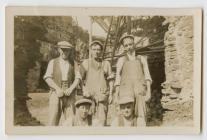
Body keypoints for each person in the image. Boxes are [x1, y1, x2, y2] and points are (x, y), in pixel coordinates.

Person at [114, 33, 152, 126]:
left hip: (140, 92)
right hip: (126, 93)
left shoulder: (141, 59)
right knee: (126, 119)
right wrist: (116, 96)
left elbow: (147, 76)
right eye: (126, 45)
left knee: (141, 118)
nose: (129, 47)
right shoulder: (121, 60)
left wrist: (149, 92)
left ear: (134, 44)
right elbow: (117, 80)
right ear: (124, 47)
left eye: (130, 44)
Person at [44, 41, 81, 126]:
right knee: (53, 118)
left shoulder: (74, 63)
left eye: (67, 50)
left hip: (70, 93)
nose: (64, 52)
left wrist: (71, 89)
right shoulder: (53, 62)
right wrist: (57, 89)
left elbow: (78, 78)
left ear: (70, 51)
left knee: (71, 120)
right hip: (56, 92)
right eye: (62, 49)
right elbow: (47, 77)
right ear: (59, 50)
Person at [79, 40, 114, 126]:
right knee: (87, 123)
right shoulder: (86, 63)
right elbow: (78, 78)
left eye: (98, 49)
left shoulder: (106, 64)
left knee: (101, 122)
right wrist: (84, 90)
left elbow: (111, 80)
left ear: (101, 51)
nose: (96, 52)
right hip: (88, 99)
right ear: (90, 50)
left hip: (102, 98)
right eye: (94, 49)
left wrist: (110, 94)